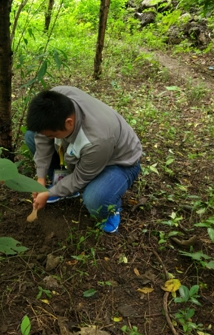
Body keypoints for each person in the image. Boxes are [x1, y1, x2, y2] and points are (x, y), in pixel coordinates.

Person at [25, 86, 142, 233]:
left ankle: (112, 207)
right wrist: (40, 178)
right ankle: (64, 187)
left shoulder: (97, 140)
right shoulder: (56, 98)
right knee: (31, 136)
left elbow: (80, 178)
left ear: (69, 122)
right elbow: (41, 138)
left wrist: (48, 193)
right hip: (90, 153)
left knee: (96, 199)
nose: (48, 138)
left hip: (119, 161)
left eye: (51, 135)